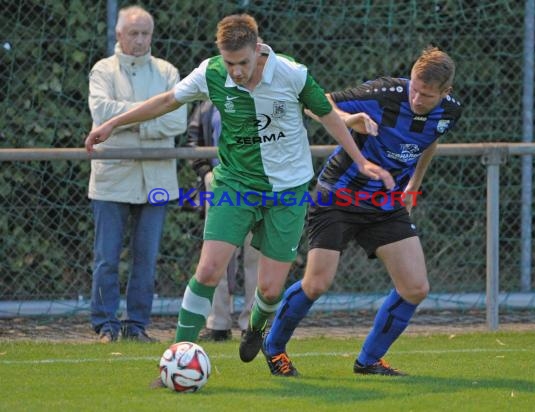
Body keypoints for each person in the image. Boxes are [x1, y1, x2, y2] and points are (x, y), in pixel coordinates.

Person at [85, 13, 394, 362]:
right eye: (230, 63)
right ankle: (177, 357)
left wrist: (361, 160)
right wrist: (112, 123)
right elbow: (168, 100)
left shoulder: (291, 73)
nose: (236, 71)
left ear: (258, 48)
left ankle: (256, 328)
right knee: (208, 270)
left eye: (243, 62)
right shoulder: (212, 72)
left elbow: (326, 113)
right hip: (236, 183)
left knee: (270, 289)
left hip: (288, 189)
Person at [262, 46, 463, 376]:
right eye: (414, 87)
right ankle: (273, 347)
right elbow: (317, 103)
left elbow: (431, 139)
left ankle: (369, 360)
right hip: (338, 196)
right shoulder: (384, 93)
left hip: (385, 202)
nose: (416, 98)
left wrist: (413, 184)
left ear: (445, 92)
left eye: (426, 95)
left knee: (416, 288)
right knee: (316, 284)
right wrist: (348, 119)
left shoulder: (451, 111)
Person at [87, 5, 187, 343]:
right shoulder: (102, 71)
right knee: (106, 259)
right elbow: (101, 113)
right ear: (119, 34)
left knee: (146, 259)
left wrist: (123, 123)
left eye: (146, 33)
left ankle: (136, 326)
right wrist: (151, 116)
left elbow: (179, 121)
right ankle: (105, 325)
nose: (140, 40)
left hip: (157, 181)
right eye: (134, 33)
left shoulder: (167, 71)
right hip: (111, 180)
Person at [186, 99, 259, 341]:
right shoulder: (209, 103)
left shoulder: (272, 96)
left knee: (256, 257)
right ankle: (217, 323)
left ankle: (253, 324)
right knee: (215, 260)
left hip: (259, 187)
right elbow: (193, 140)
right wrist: (206, 172)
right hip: (221, 188)